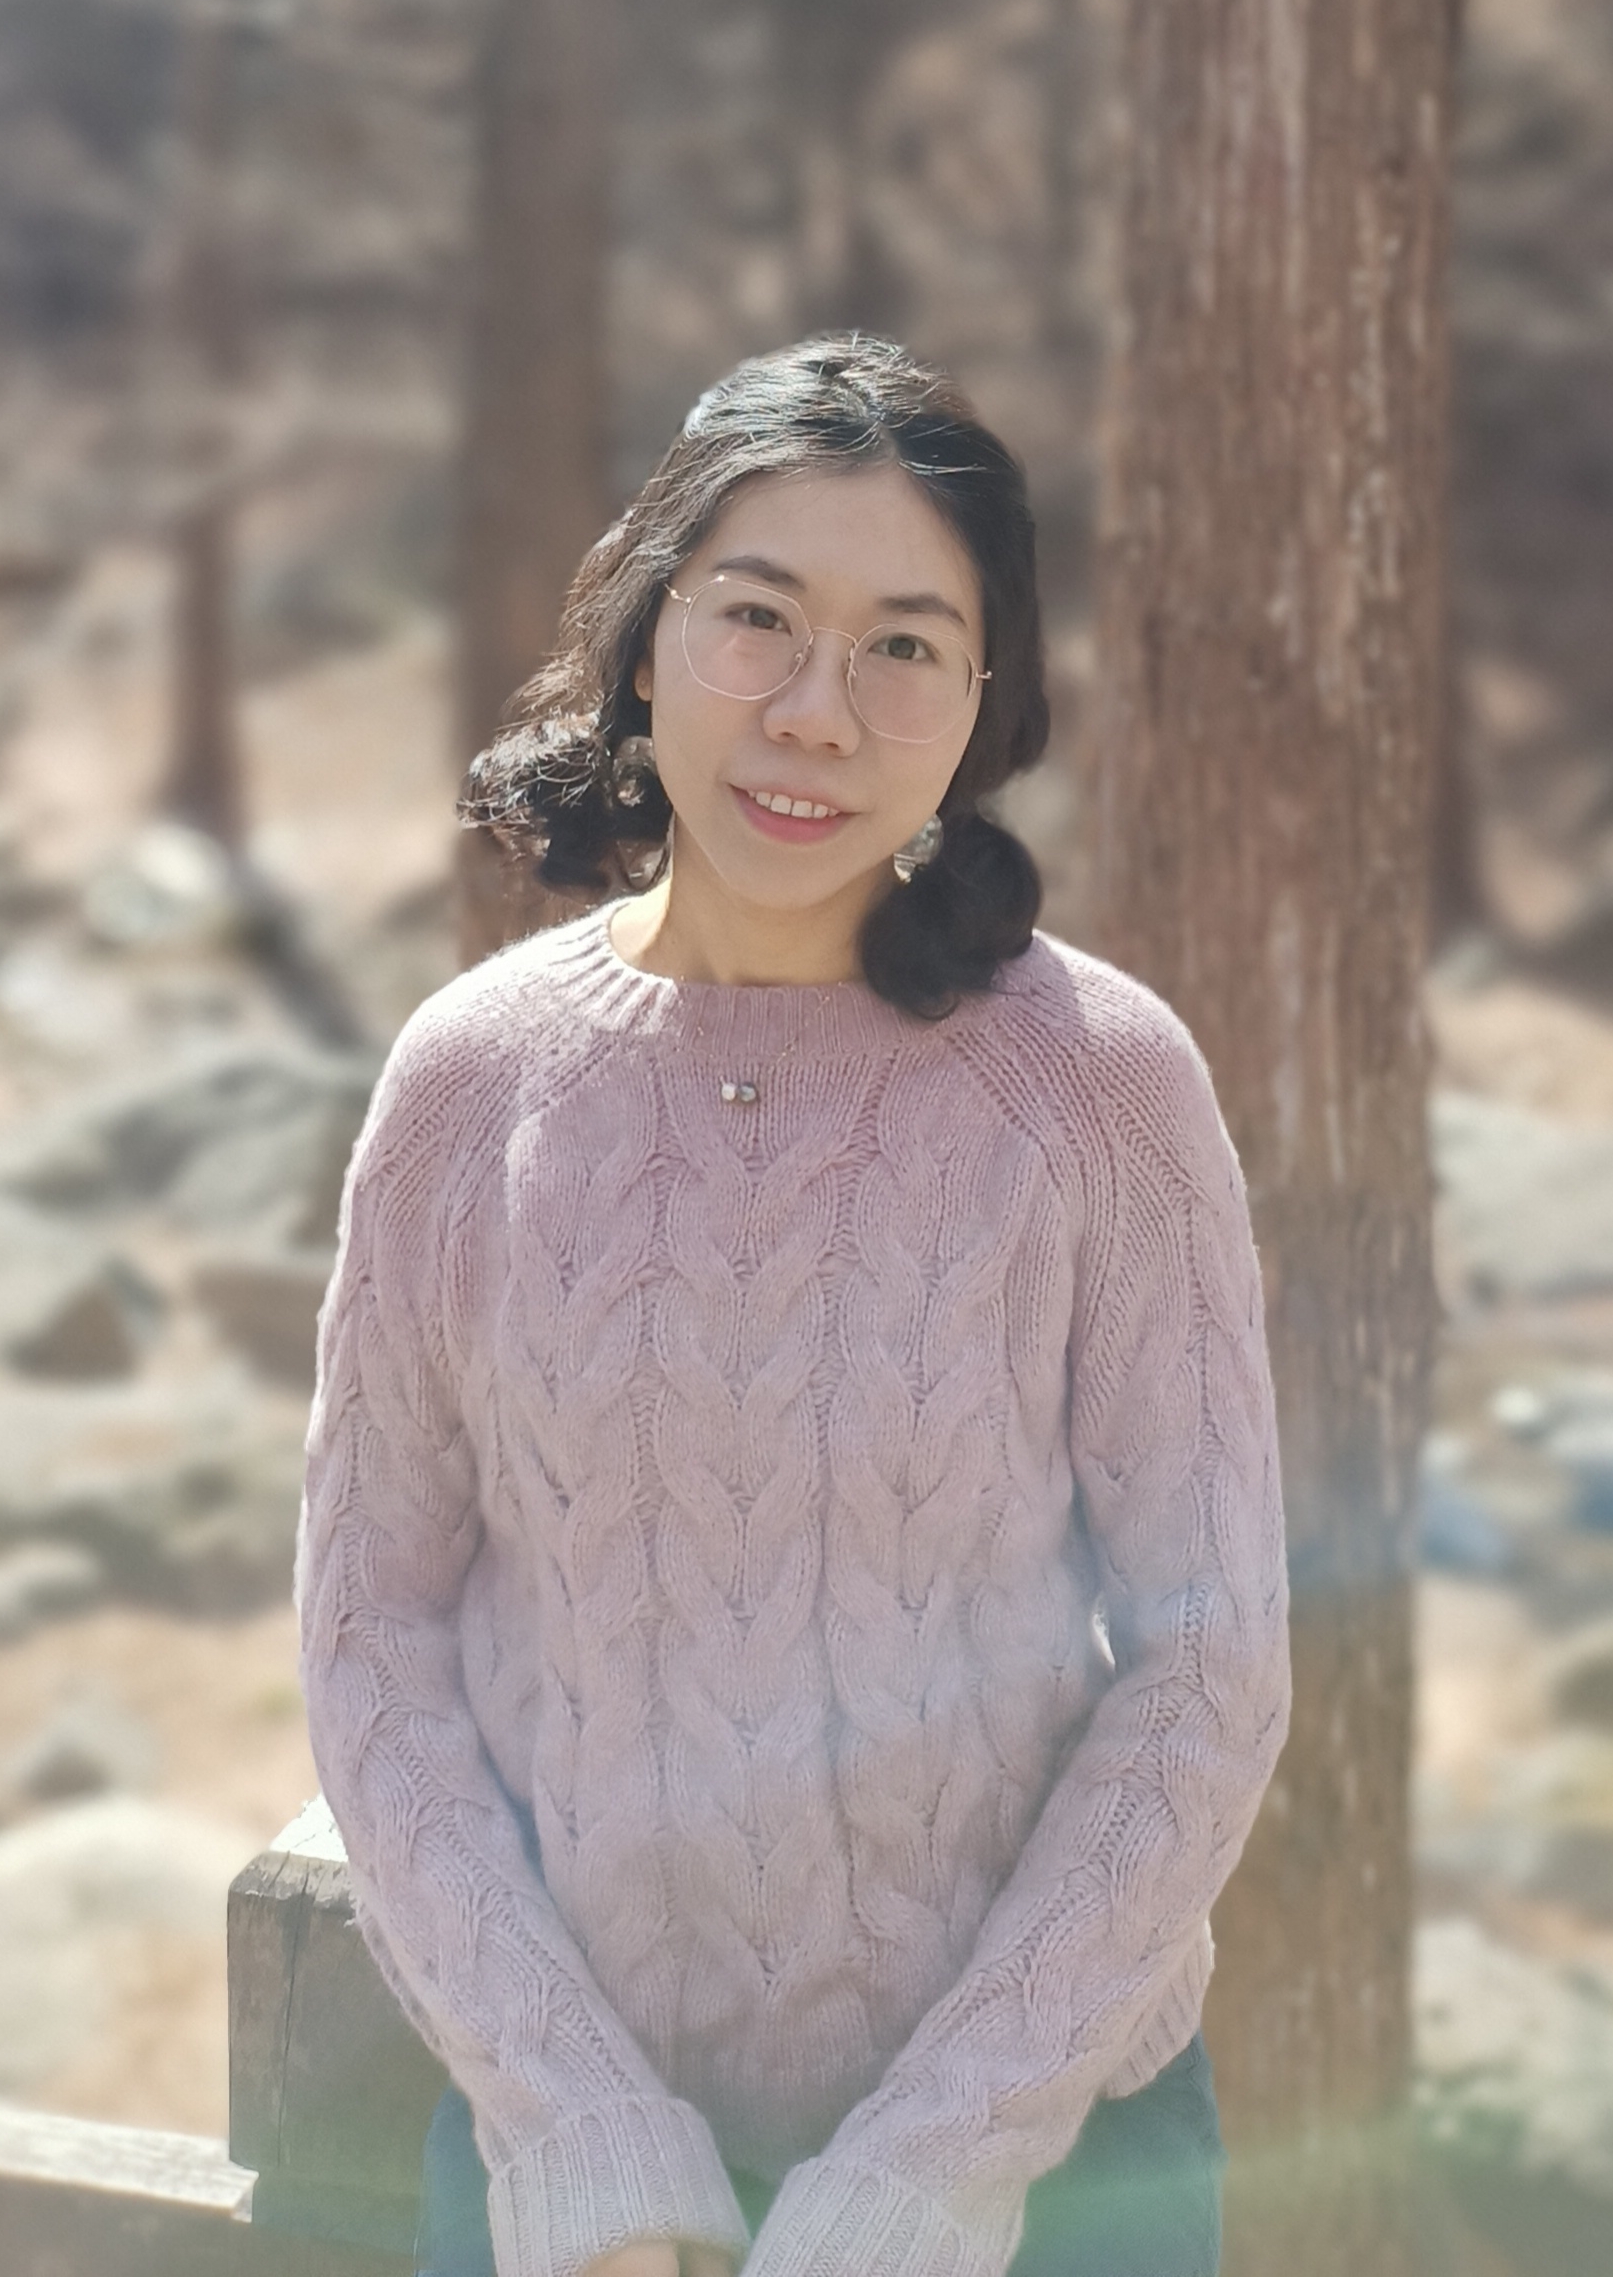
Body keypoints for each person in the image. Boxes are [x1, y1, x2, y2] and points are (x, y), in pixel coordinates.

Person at [295, 336, 1290, 2277]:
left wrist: (927, 2173)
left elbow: (1209, 1664)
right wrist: (579, 2134)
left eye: (905, 646)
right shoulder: (470, 1082)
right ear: (646, 633)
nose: (815, 712)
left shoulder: (1097, 1083)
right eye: (757, 617)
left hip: (1043, 2178)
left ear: (983, 706)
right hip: (573, 2175)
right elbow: (373, 1632)